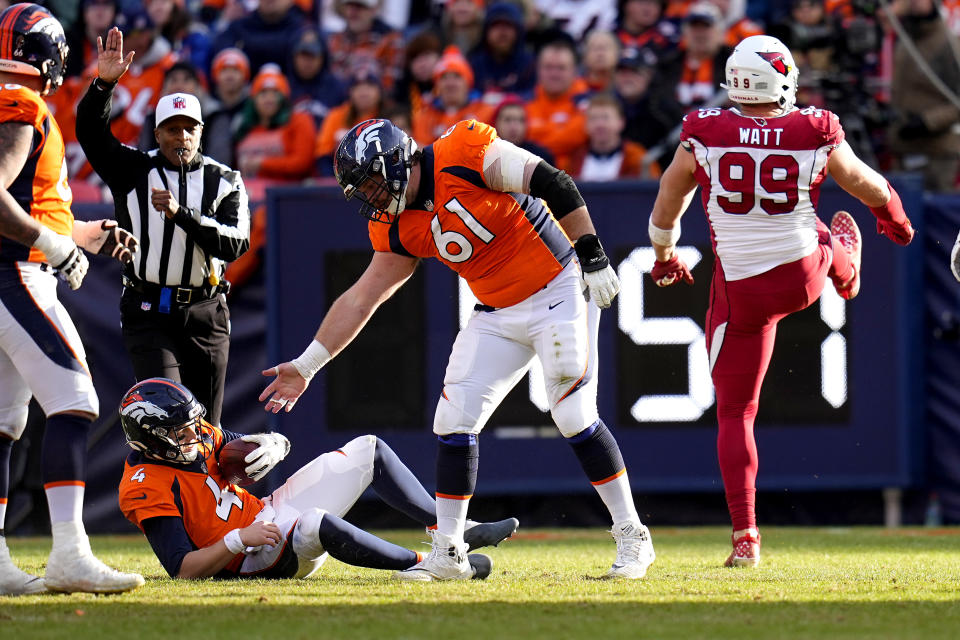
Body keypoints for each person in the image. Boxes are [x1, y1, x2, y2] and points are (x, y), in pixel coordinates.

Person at [260, 116, 656, 581]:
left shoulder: (464, 153)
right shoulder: (398, 224)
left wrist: (592, 255)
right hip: (495, 310)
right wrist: (308, 364)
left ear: (396, 163)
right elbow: (363, 295)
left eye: (370, 185)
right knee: (454, 418)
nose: (369, 199)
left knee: (571, 412)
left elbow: (552, 180)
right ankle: (449, 552)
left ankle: (633, 535)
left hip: (559, 285)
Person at [646, 35, 915, 567]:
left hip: (741, 294)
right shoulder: (811, 128)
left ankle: (745, 535)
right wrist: (897, 218)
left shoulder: (704, 132)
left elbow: (669, 198)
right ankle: (846, 266)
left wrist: (663, 255)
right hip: (802, 276)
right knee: (813, 226)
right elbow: (863, 182)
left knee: (735, 413)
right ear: (782, 79)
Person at [0, 3, 142, 595]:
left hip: (16, 268)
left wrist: (83, 235)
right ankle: (70, 554)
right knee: (76, 399)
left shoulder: (21, 104)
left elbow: (34, 208)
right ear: (48, 55)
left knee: (5, 425)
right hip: (15, 275)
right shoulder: (21, 103)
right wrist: (52, 249)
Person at [117, 378, 519, 580]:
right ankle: (426, 565)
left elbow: (245, 444)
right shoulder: (145, 483)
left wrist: (276, 443)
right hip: (251, 556)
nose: (195, 434)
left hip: (266, 515)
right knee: (314, 523)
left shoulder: (201, 435)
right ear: (150, 437)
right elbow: (184, 569)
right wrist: (238, 540)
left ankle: (451, 531)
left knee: (369, 449)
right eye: (180, 431)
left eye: (194, 424)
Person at [76, 27, 250, 427]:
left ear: (202, 132)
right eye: (173, 129)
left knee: (207, 431)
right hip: (148, 308)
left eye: (190, 128)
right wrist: (104, 84)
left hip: (206, 311)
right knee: (167, 420)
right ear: (157, 134)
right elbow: (90, 134)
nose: (182, 137)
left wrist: (180, 215)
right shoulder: (135, 170)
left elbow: (234, 244)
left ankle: (205, 491)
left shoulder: (225, 180)